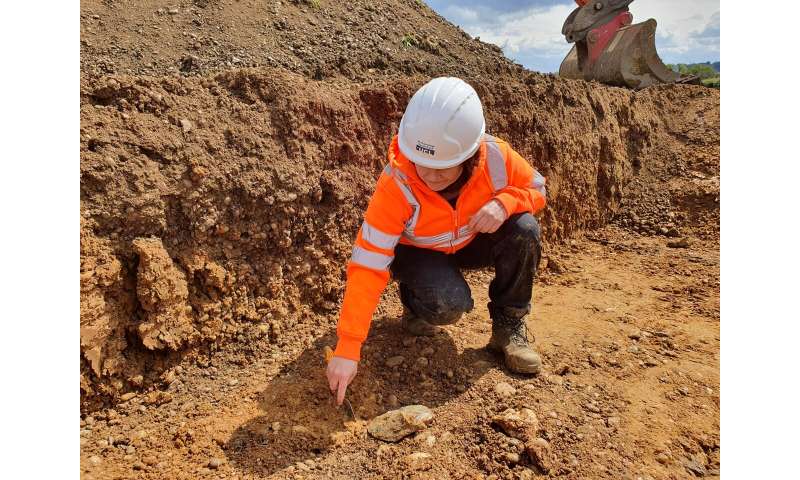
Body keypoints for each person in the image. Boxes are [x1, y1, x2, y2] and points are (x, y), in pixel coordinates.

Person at [326, 77, 547, 405]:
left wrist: (505, 203)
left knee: (524, 229)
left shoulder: (497, 158)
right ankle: (416, 303)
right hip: (419, 254)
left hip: (470, 239)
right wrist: (347, 347)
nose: (428, 176)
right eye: (422, 164)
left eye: (442, 169)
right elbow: (368, 264)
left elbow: (538, 190)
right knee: (448, 305)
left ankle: (508, 327)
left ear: (471, 154)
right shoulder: (396, 183)